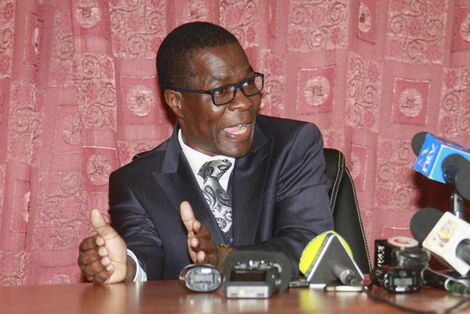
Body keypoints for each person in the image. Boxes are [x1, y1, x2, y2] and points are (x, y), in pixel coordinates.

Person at [78, 21, 334, 284]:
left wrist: (227, 259)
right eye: (221, 91)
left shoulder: (291, 145)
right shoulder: (137, 182)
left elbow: (309, 245)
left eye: (248, 82)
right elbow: (145, 253)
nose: (245, 102)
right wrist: (128, 268)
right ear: (176, 102)